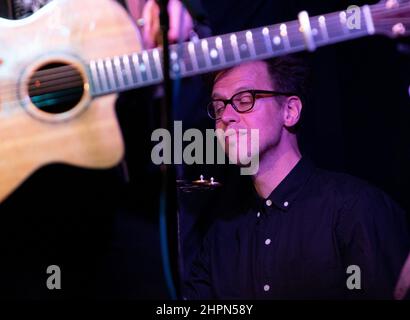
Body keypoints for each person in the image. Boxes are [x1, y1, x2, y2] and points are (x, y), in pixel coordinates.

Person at [184, 56, 410, 299]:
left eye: (244, 100)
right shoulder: (221, 235)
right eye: (219, 107)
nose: (226, 116)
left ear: (290, 111)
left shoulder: (355, 208)